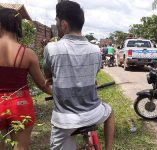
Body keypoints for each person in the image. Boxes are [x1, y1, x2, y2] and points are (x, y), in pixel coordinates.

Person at [43, 1, 115, 150]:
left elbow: (48, 74)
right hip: (94, 113)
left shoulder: (51, 48)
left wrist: (54, 76)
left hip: (65, 119)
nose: (56, 25)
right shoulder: (96, 50)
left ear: (63, 24)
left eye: (56, 22)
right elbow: (93, 76)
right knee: (109, 112)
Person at [0, 8, 52, 149]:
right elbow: (42, 84)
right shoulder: (28, 54)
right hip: (20, 104)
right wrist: (59, 94)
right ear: (18, 26)